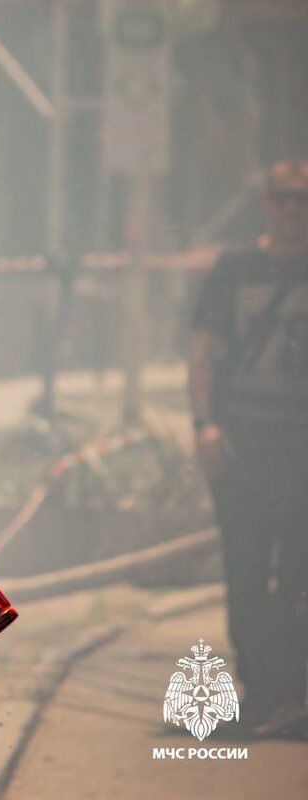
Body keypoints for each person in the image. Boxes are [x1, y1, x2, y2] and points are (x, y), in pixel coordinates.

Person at [188, 158, 308, 738]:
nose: (293, 211)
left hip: (300, 444)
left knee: (299, 574)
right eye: (283, 198)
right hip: (242, 443)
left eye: (302, 200)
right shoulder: (234, 270)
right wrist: (203, 424)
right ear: (266, 202)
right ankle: (261, 688)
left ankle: (290, 692)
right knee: (247, 568)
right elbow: (202, 351)